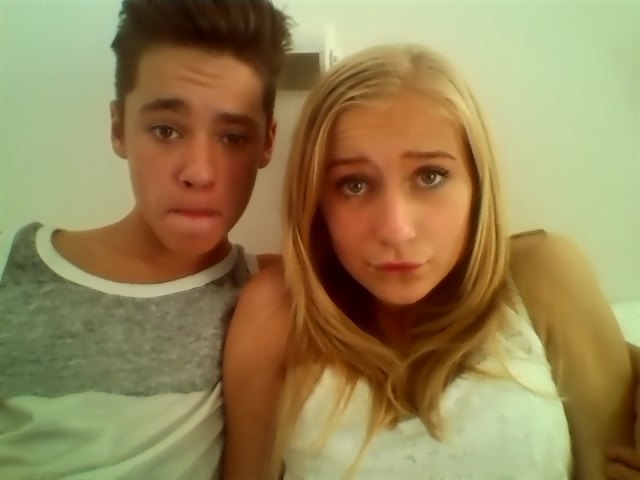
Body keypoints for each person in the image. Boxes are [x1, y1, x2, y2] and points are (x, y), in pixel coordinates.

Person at [222, 44, 637, 479]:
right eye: (354, 184)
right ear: (315, 202)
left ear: (477, 183)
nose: (396, 229)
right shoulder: (277, 315)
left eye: (430, 176)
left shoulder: (546, 277)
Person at [0, 1, 292, 479]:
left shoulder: (273, 298)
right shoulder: (15, 270)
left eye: (233, 137)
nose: (199, 173)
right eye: (166, 130)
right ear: (119, 128)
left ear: (267, 143)